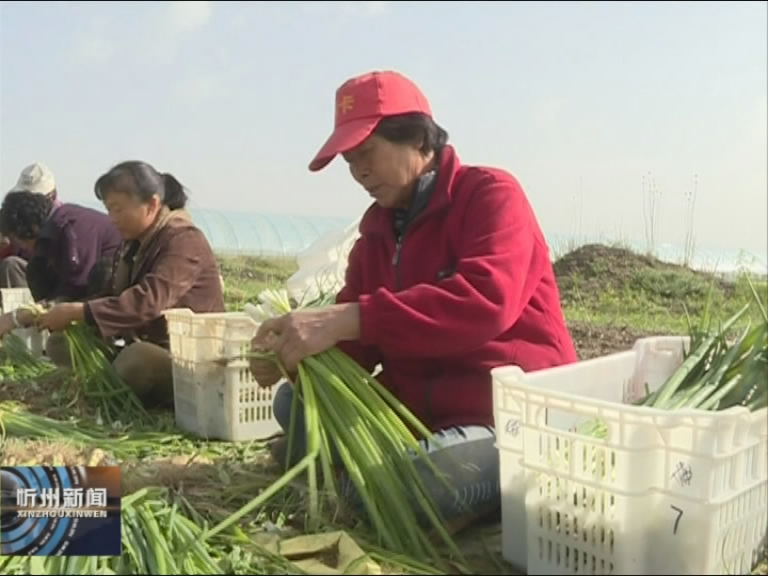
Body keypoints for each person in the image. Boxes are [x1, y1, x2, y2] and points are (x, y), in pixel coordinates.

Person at [248, 70, 579, 536]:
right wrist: (288, 357)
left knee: (408, 483)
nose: (358, 171)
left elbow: (486, 300)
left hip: (508, 420)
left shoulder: (489, 195)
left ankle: (399, 487)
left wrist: (352, 317)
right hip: (419, 420)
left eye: (368, 153)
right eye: (348, 161)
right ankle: (389, 486)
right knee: (293, 404)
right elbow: (355, 352)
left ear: (419, 138)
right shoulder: (376, 232)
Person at [34, 161, 226, 409]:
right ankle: (112, 383)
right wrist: (64, 311)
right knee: (61, 343)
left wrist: (78, 312)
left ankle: (152, 395)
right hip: (141, 343)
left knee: (134, 362)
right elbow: (111, 295)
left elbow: (147, 301)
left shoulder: (184, 240)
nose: (112, 219)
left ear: (152, 204)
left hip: (189, 360)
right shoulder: (133, 244)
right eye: (108, 210)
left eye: (118, 209)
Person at [0, 162, 61, 289]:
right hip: (27, 271)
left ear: (52, 195)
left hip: (50, 276)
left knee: (12, 265)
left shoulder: (61, 220)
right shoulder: (16, 216)